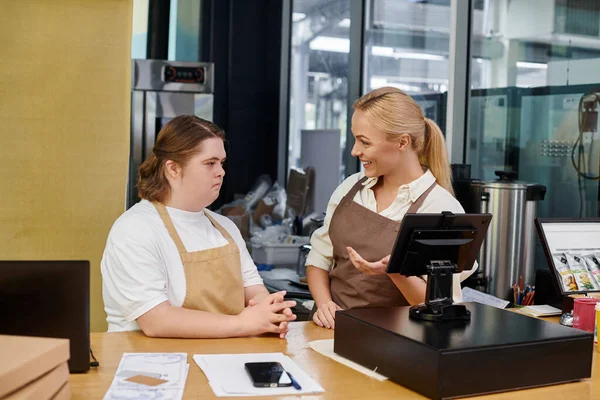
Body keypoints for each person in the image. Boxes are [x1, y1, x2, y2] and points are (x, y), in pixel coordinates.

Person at [101, 115, 296, 338]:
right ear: (173, 169)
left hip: (223, 359)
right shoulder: (135, 229)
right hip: (151, 365)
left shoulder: (225, 228)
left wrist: (269, 310)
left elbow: (252, 289)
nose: (221, 172)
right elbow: (156, 320)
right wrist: (244, 323)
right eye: (209, 163)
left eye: (221, 163)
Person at [306, 87, 477, 329]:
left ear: (402, 142)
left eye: (364, 141)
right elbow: (318, 259)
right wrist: (324, 305)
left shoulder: (440, 208)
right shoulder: (352, 187)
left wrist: (394, 271)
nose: (355, 151)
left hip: (394, 343)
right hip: (328, 333)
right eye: (355, 139)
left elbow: (440, 307)